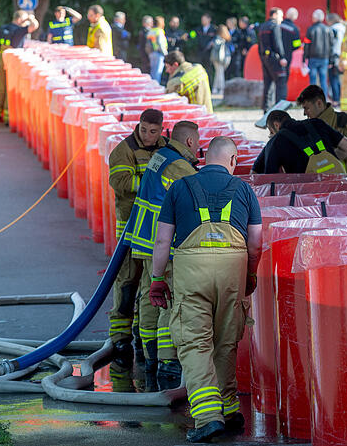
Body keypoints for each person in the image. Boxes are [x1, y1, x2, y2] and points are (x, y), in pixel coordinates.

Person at [150, 135, 262, 443]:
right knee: (226, 341)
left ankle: (208, 416)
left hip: (192, 273)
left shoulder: (180, 188)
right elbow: (255, 242)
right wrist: (249, 275)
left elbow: (162, 241)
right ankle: (228, 408)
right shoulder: (245, 190)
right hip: (233, 272)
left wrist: (157, 279)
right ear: (233, 161)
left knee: (195, 343)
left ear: (204, 158)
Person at [126, 121, 201, 393]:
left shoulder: (161, 155)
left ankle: (148, 356)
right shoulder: (179, 165)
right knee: (167, 300)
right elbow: (197, 196)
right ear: (190, 142)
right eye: (199, 142)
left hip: (144, 238)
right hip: (163, 244)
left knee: (148, 297)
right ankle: (168, 364)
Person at [107, 108, 167, 392]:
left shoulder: (165, 149)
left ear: (161, 130)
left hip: (156, 233)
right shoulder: (124, 150)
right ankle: (120, 338)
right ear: (138, 125)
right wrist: (150, 183)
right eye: (144, 129)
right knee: (127, 285)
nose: (147, 135)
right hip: (130, 231)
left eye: (153, 131)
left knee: (149, 287)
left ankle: (143, 337)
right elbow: (119, 183)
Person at [252, 110, 347, 175]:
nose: (271, 135)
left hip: (308, 202)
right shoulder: (318, 123)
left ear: (276, 125)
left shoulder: (276, 141)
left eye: (271, 131)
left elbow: (268, 180)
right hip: (339, 189)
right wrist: (325, 163)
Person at [297, 84, 347, 183]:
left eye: (307, 108)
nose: (305, 113)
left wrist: (320, 161)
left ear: (319, 103)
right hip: (321, 185)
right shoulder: (310, 127)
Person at [0, 10, 39, 125]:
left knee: (0, 86)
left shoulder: (3, 28)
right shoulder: (20, 30)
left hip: (2, 58)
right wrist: (30, 18)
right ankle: (8, 118)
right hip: (13, 61)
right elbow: (35, 25)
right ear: (20, 19)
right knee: (10, 88)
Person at [256, 7, 288, 111]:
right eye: (281, 16)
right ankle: (280, 109)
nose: (282, 19)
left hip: (265, 58)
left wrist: (262, 57)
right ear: (274, 15)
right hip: (275, 58)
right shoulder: (274, 26)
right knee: (281, 83)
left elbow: (259, 45)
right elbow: (278, 43)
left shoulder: (262, 26)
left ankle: (266, 109)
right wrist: (282, 57)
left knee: (268, 84)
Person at [304, 9, 332, 95]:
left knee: (312, 80)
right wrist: (331, 60)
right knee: (323, 80)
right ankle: (324, 100)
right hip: (325, 58)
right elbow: (332, 45)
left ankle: (312, 100)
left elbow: (306, 44)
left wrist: (304, 58)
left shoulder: (310, 29)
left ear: (315, 18)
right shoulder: (328, 30)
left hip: (313, 58)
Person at [143, 15, 168, 83]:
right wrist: (165, 54)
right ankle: (156, 88)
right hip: (159, 53)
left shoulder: (151, 31)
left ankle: (152, 86)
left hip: (151, 53)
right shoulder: (159, 31)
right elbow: (160, 43)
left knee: (153, 72)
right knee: (158, 72)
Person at [209, 24, 232, 96]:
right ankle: (215, 89)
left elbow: (215, 46)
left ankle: (221, 89)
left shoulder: (217, 39)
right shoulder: (228, 38)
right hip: (227, 58)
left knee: (219, 73)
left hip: (218, 58)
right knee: (219, 73)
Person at [327, 12, 345, 103]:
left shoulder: (333, 29)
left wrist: (330, 59)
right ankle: (341, 98)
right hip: (343, 57)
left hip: (334, 57)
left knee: (333, 78)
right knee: (338, 79)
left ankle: (336, 99)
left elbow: (331, 45)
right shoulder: (344, 28)